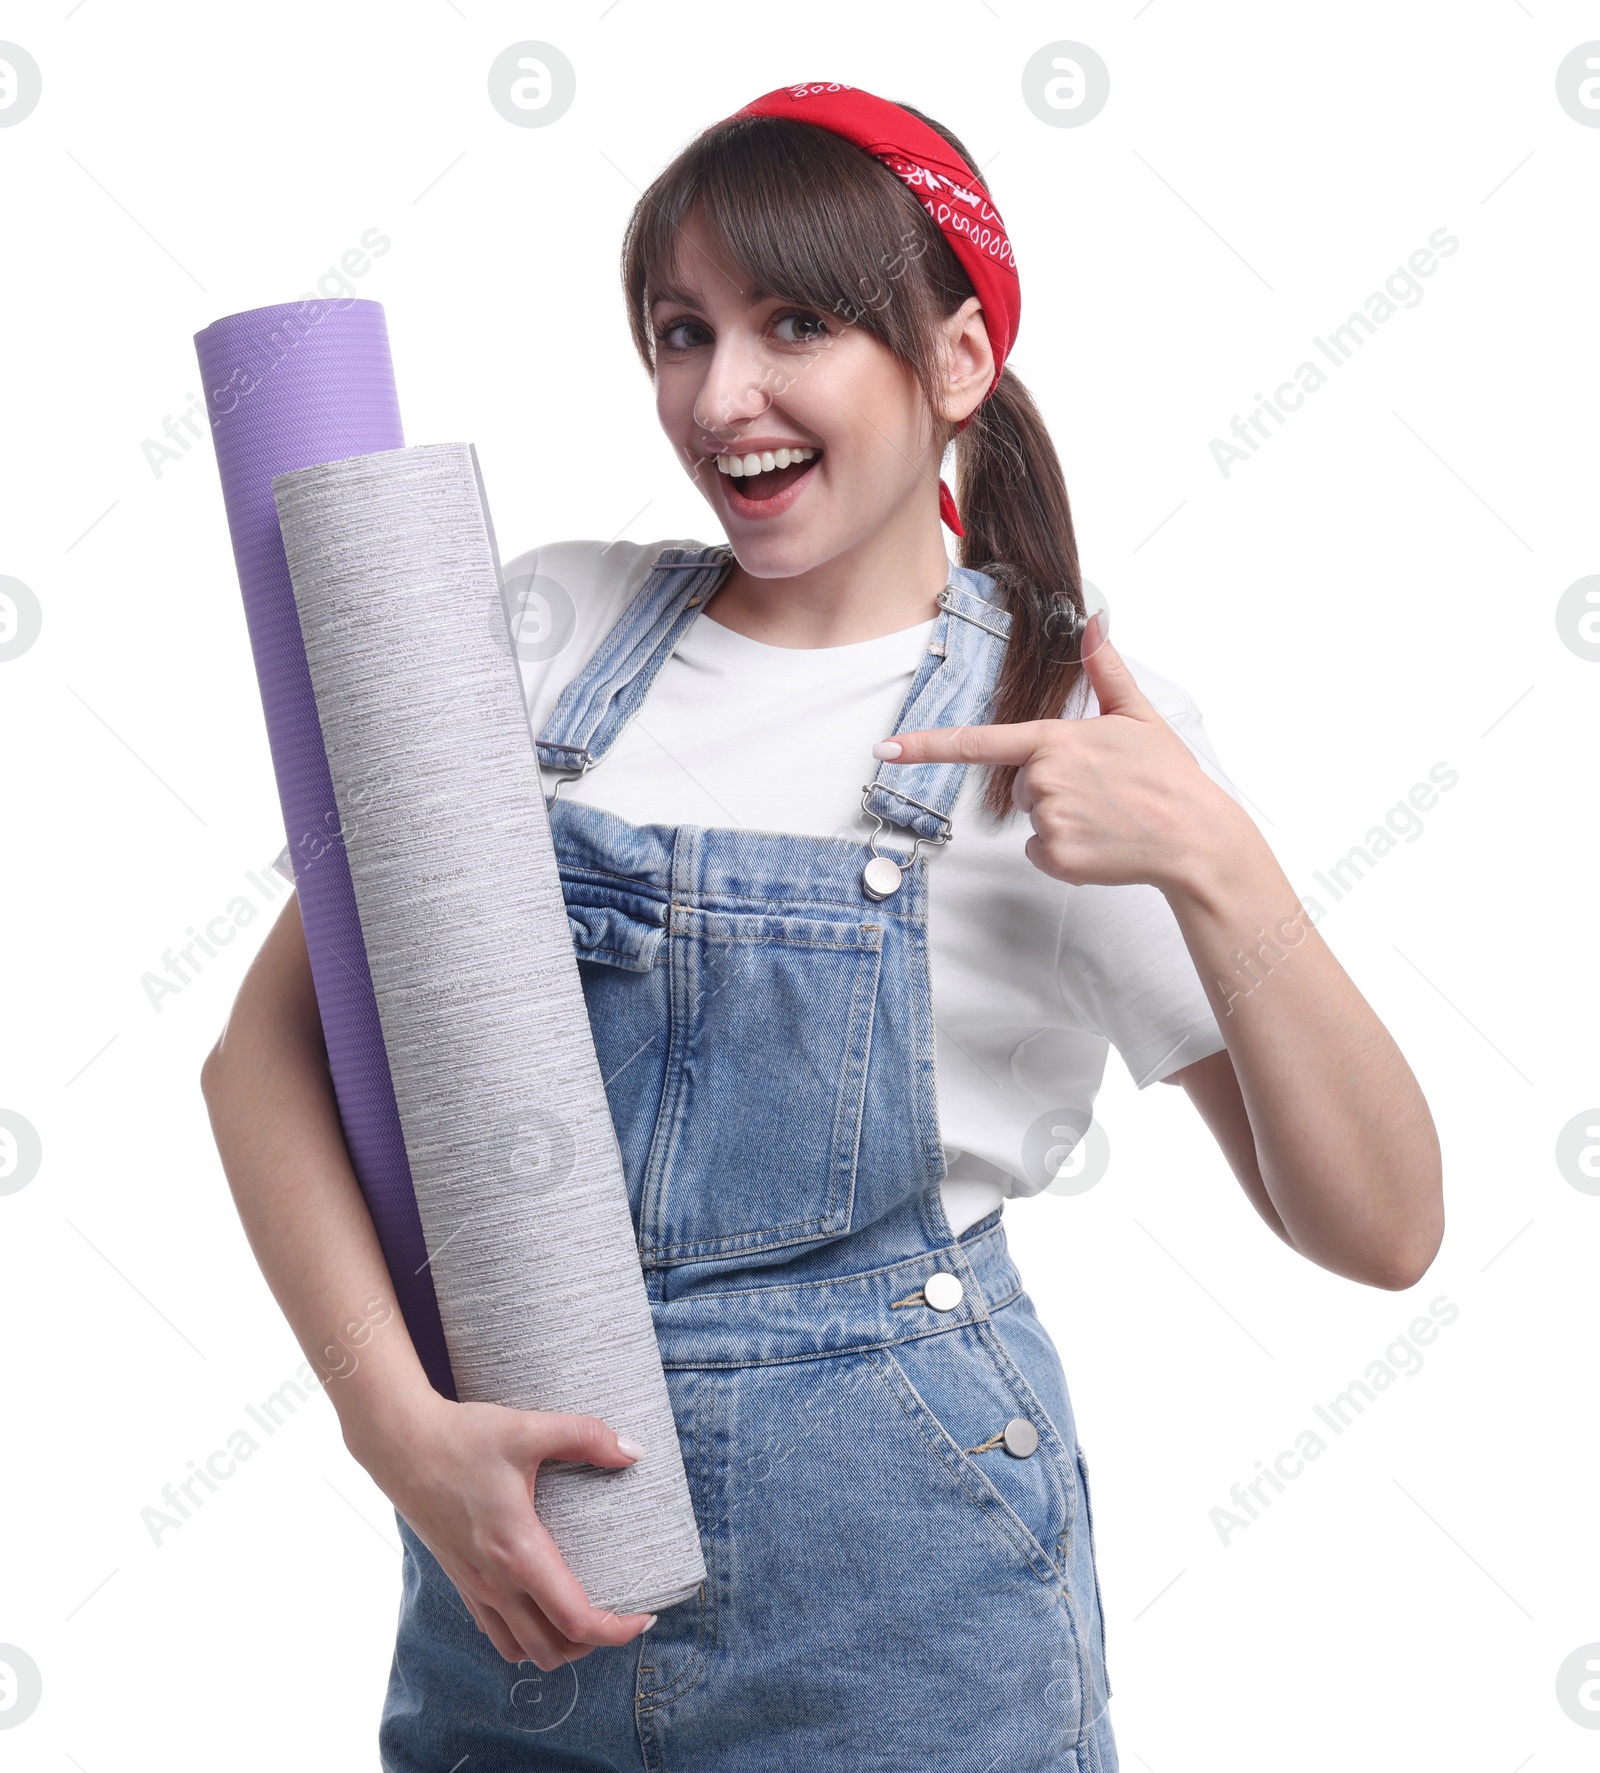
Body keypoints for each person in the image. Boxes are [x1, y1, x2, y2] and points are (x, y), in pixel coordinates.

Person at [200, 81, 1443, 1772]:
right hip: (520, 1580)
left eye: (797, 323)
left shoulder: (1062, 728)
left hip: (906, 1614)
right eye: (680, 332)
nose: (724, 397)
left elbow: (1380, 1226)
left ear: (955, 362)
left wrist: (1223, 866)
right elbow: (260, 1058)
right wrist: (393, 1426)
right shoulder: (550, 626)